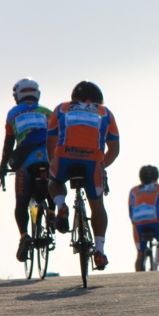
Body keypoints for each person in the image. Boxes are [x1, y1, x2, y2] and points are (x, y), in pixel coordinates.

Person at [47, 81, 120, 270]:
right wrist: (102, 165)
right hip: (93, 161)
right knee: (97, 205)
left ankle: (61, 205)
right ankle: (100, 250)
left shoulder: (61, 108)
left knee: (54, 181)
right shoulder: (105, 112)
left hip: (64, 157)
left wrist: (52, 163)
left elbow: (51, 140)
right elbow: (114, 149)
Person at [0, 78, 53, 263]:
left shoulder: (13, 114)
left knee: (21, 203)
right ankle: (52, 213)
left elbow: (9, 142)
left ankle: (24, 236)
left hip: (26, 163)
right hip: (49, 157)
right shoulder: (47, 112)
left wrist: (3, 165)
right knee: (55, 183)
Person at [128, 165, 159, 271]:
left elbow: (130, 211)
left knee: (140, 253)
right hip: (155, 219)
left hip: (138, 221)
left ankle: (138, 278)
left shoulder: (133, 190)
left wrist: (135, 223)